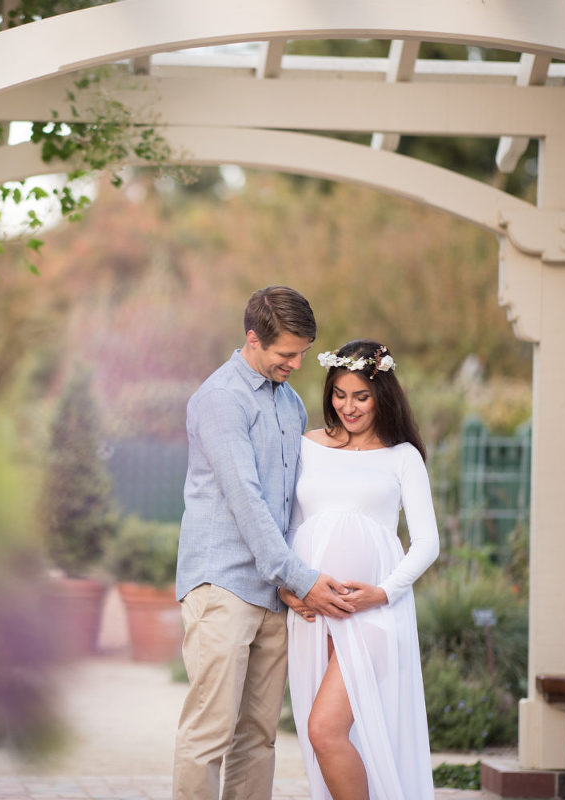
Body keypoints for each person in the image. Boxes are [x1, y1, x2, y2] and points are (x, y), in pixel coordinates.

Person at [173, 286, 355, 800]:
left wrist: (292, 584)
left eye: (301, 352)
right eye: (286, 354)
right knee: (210, 733)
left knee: (259, 738)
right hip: (223, 586)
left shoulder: (291, 405)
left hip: (274, 593)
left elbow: (290, 504)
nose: (297, 363)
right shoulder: (220, 400)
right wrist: (301, 578)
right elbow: (246, 502)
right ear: (253, 340)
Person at [280, 339, 440, 800]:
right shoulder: (308, 445)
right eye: (339, 394)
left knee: (324, 730)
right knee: (335, 740)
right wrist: (292, 589)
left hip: (370, 617)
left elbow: (427, 542)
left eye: (361, 397)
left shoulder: (401, 457)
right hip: (313, 613)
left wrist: (384, 593)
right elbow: (291, 527)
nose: (347, 407)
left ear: (382, 396)